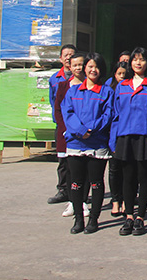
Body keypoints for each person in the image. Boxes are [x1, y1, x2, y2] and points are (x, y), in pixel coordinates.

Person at [110, 47, 147, 236]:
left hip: (144, 137)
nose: (138, 63)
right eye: (135, 59)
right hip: (125, 137)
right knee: (128, 178)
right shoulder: (122, 86)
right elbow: (115, 115)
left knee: (144, 177)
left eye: (142, 59)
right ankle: (129, 216)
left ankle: (141, 217)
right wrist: (113, 140)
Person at [61, 53, 113, 234]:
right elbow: (67, 113)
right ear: (85, 68)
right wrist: (81, 130)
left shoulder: (107, 92)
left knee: (96, 182)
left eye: (97, 67)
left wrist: (91, 129)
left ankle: (94, 219)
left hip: (97, 143)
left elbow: (108, 115)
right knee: (76, 183)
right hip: (76, 143)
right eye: (90, 66)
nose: (93, 70)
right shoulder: (73, 92)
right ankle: (78, 219)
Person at [55, 53, 87, 218]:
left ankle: (83, 202)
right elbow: (59, 110)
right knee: (69, 168)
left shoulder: (92, 85)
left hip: (88, 135)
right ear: (70, 67)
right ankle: (72, 201)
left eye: (81, 65)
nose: (78, 68)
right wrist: (67, 129)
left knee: (86, 170)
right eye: (75, 65)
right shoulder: (63, 86)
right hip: (68, 134)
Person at [47, 44, 76, 205]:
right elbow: (53, 102)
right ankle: (63, 189)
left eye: (71, 55)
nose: (68, 58)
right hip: (61, 123)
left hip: (76, 124)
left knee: (76, 159)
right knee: (62, 159)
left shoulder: (80, 78)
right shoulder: (54, 79)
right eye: (66, 55)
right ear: (60, 58)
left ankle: (77, 190)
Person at [106, 61, 132, 217]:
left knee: (126, 169)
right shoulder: (110, 90)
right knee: (114, 169)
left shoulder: (130, 89)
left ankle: (125, 200)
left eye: (124, 74)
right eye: (119, 74)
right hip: (113, 133)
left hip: (127, 133)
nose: (122, 77)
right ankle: (115, 199)